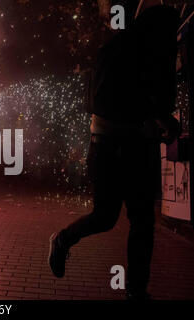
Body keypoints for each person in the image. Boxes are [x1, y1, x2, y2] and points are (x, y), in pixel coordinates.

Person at [48, 0, 181, 300]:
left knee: (109, 217)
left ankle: (66, 241)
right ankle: (135, 289)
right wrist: (161, 121)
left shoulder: (111, 49)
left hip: (106, 146)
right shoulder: (151, 52)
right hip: (132, 147)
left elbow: (92, 103)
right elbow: (154, 99)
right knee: (140, 221)